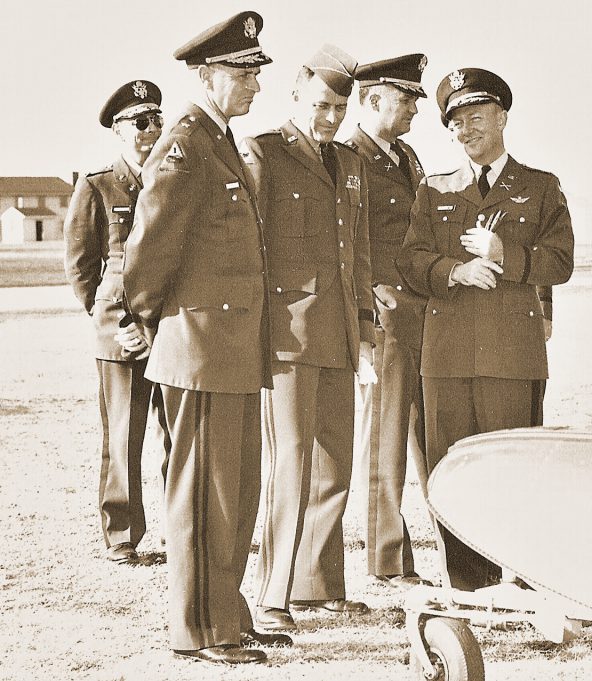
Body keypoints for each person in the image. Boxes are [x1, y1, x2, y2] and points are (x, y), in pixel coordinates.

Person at [121, 10, 289, 664]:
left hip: (233, 351)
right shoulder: (186, 144)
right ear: (206, 74)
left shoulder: (219, 141)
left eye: (255, 72)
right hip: (198, 351)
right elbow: (146, 252)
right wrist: (162, 328)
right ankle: (197, 628)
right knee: (201, 495)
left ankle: (227, 610)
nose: (254, 84)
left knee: (236, 491)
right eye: (243, 72)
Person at [396, 68, 574, 591]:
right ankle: (469, 583)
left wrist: (505, 255)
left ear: (502, 117)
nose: (465, 129)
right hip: (446, 357)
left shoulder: (539, 187)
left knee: (513, 468)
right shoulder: (433, 190)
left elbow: (560, 262)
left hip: (511, 356)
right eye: (454, 122)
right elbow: (410, 260)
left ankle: (520, 575)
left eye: (475, 116)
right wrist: (453, 270)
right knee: (450, 472)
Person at [242, 44, 375, 633]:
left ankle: (319, 588)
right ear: (296, 94)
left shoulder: (349, 163)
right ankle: (274, 597)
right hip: (288, 339)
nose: (329, 117)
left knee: (334, 466)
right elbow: (253, 253)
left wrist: (366, 329)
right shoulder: (265, 154)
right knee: (290, 464)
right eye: (321, 104)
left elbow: (359, 257)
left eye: (340, 107)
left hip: (341, 337)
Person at [64, 80, 172, 565]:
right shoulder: (98, 184)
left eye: (156, 120)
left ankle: (183, 528)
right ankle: (122, 536)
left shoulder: (174, 177)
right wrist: (110, 320)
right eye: (139, 122)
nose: (151, 130)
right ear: (118, 130)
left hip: (172, 328)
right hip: (122, 334)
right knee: (124, 437)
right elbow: (82, 266)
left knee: (179, 434)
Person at [345, 53, 432, 589]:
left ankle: (454, 553)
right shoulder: (347, 158)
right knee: (386, 438)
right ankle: (386, 558)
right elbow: (345, 236)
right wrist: (367, 289)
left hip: (424, 313)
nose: (414, 112)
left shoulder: (406, 156)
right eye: (406, 100)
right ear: (372, 99)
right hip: (386, 318)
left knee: (429, 437)